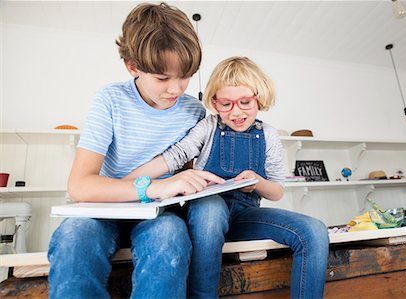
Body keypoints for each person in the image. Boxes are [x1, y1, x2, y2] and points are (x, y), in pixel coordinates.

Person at [47, 3, 229, 298]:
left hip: (158, 215)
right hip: (103, 209)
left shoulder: (195, 112)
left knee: (170, 237)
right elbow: (80, 185)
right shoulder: (110, 100)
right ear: (132, 66)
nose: (176, 89)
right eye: (162, 78)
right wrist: (156, 186)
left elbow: (186, 183)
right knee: (73, 237)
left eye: (186, 75)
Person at [126, 56, 330, 298]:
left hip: (244, 215)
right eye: (226, 104)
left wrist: (256, 181)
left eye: (245, 102)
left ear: (259, 97)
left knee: (314, 230)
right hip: (204, 214)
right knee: (210, 209)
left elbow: (277, 192)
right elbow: (175, 156)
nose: (236, 112)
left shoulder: (268, 135)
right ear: (214, 102)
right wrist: (126, 182)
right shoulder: (208, 126)